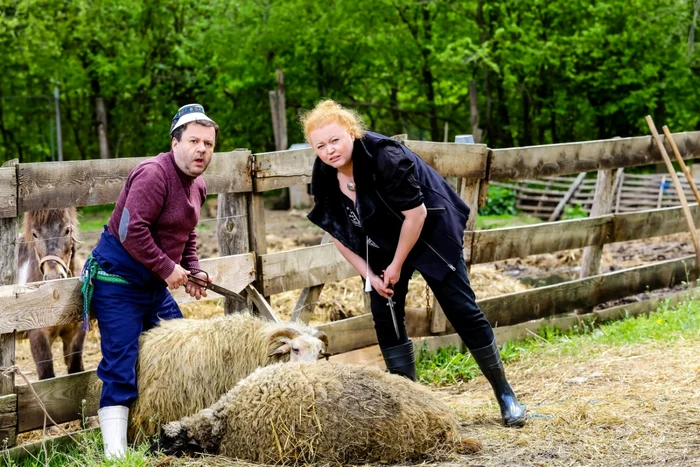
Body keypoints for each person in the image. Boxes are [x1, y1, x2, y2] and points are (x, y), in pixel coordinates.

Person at [303, 99, 526, 427]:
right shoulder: (324, 174)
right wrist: (371, 275)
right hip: (380, 239)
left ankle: (505, 395)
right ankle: (409, 409)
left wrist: (395, 266)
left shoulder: (385, 156)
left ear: (352, 133)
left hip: (428, 231)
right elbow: (337, 231)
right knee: (385, 314)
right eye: (320, 145)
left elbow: (416, 214)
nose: (329, 150)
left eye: (335, 140)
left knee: (462, 310)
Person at [81, 104, 219, 458]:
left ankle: (174, 434)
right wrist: (168, 268)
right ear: (175, 143)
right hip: (119, 283)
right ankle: (116, 455)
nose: (201, 149)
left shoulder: (198, 184)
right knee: (121, 362)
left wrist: (193, 269)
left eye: (208, 143)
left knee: (184, 351)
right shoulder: (154, 174)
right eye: (193, 141)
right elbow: (131, 231)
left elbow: (186, 234)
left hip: (153, 286)